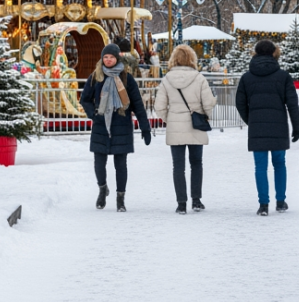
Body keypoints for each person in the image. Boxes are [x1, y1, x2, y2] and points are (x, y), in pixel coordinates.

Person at [80, 43, 152, 212]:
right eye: (105, 57)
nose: (108, 60)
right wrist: (94, 114)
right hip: (101, 125)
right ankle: (102, 188)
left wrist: (145, 127)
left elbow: (137, 104)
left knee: (120, 164)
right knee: (99, 162)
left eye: (111, 57)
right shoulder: (95, 77)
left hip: (121, 123)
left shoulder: (126, 78)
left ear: (117, 58)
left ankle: (120, 198)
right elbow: (85, 99)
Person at [235, 39, 299, 216]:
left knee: (260, 167)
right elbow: (292, 104)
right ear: (274, 53)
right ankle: (280, 201)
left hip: (257, 127)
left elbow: (240, 103)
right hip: (279, 125)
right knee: (280, 164)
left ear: (255, 53)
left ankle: (263, 204)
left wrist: (251, 120)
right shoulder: (283, 76)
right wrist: (297, 127)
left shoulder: (247, 78)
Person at [154, 44, 217, 215]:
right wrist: (206, 116)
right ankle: (196, 200)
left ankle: (181, 203)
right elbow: (208, 103)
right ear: (192, 59)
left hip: (175, 125)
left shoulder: (167, 79)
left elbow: (159, 106)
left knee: (178, 166)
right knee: (196, 163)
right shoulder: (199, 78)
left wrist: (171, 118)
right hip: (196, 125)